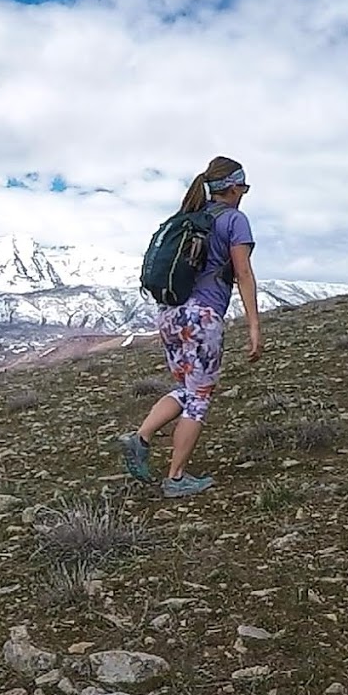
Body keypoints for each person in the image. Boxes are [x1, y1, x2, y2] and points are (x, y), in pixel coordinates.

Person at [119, 156, 263, 497]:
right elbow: (243, 273)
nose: (243, 193)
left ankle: (139, 438)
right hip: (203, 318)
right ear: (233, 187)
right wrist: (254, 325)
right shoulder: (234, 220)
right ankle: (177, 478)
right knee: (199, 397)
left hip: (170, 314)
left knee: (186, 387)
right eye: (243, 187)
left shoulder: (188, 218)